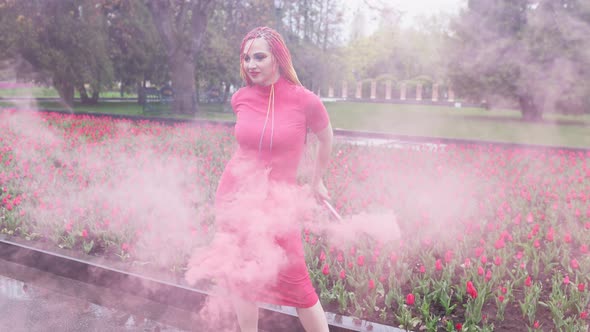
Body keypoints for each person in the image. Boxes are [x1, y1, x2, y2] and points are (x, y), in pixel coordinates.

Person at [216, 26, 333, 332]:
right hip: (238, 198)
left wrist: (317, 180)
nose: (251, 64)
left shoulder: (305, 100)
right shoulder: (240, 98)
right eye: (246, 58)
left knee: (298, 284)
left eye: (259, 56)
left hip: (280, 205)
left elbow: (326, 137)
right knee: (242, 276)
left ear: (277, 59)